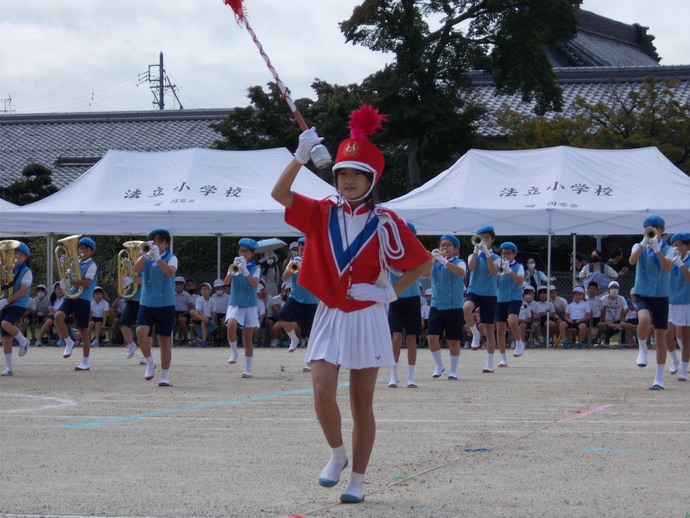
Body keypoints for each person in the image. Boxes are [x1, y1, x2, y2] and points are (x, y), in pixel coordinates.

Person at [271, 106, 430, 504]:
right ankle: (337, 455)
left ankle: (358, 479)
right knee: (322, 392)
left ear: (371, 179)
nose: (348, 180)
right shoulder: (321, 212)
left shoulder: (386, 219)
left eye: (356, 174)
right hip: (329, 313)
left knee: (362, 403)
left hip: (367, 315)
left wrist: (389, 292)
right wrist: (298, 157)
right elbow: (280, 194)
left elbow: (422, 263)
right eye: (342, 173)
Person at [629, 214, 674, 389]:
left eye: (656, 227)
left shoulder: (669, 249)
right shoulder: (638, 246)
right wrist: (643, 244)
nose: (654, 230)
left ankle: (659, 378)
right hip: (643, 292)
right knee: (644, 319)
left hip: (661, 294)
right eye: (649, 227)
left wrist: (657, 249)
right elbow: (632, 261)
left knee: (660, 337)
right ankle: (642, 348)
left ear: (662, 230)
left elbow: (667, 267)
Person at [134, 228, 178, 387]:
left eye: (160, 242)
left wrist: (158, 258)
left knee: (164, 340)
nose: (156, 245)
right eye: (154, 241)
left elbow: (169, 272)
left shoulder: (172, 258)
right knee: (140, 331)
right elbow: (136, 270)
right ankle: (150, 362)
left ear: (166, 244)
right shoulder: (146, 257)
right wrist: (145, 255)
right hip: (147, 302)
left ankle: (165, 375)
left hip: (165, 303)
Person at [385, 223, 425, 388]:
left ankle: (411, 376)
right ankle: (393, 375)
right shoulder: (391, 251)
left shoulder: (416, 252)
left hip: (413, 297)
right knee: (396, 338)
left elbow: (422, 268)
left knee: (411, 338)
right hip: (395, 297)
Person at [54, 236, 98, 371]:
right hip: (71, 296)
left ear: (92, 252)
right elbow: (68, 276)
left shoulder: (92, 265)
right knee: (57, 317)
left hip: (83, 299)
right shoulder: (74, 263)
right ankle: (68, 341)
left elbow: (87, 282)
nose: (82, 250)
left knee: (84, 330)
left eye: (86, 248)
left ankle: (85, 361)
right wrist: (64, 281)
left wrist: (70, 282)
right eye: (80, 248)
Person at [427, 235, 466, 379]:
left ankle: (453, 370)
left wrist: (444, 261)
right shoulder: (435, 263)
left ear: (455, 249)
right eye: (442, 245)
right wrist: (429, 261)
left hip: (453, 306)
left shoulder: (460, 262)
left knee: (453, 340)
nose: (444, 248)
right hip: (436, 304)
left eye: (448, 245)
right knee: (431, 337)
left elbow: (460, 272)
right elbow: (424, 274)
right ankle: (439, 365)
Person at [277, 236, 318, 372]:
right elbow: (285, 276)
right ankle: (294, 339)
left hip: (311, 301)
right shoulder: (294, 262)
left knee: (310, 333)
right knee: (283, 315)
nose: (302, 252)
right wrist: (295, 266)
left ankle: (308, 361)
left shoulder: (316, 261)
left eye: (305, 249)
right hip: (295, 297)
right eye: (300, 250)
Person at [464, 226, 500, 373]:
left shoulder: (497, 258)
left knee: (489, 328)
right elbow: (471, 268)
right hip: (474, 289)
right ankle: (475, 333)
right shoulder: (473, 255)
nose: (483, 240)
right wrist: (476, 251)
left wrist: (487, 253)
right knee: (466, 308)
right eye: (481, 237)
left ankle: (489, 362)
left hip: (490, 293)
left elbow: (492, 271)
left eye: (486, 237)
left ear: (492, 239)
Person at [224, 237, 261, 377]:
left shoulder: (256, 268)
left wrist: (245, 271)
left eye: (246, 252)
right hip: (235, 302)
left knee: (247, 338)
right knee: (231, 324)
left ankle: (248, 369)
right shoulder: (234, 264)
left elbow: (255, 285)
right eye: (241, 251)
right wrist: (234, 269)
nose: (243, 254)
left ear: (252, 254)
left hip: (250, 304)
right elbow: (226, 282)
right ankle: (234, 351)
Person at [0, 242, 33, 375]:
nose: (17, 257)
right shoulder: (7, 269)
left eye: (21, 255)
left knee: (5, 323)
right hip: (6, 302)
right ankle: (9, 368)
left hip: (18, 303)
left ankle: (23, 340)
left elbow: (23, 291)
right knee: (6, 337)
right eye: (15, 253)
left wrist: (5, 301)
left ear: (25, 258)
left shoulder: (27, 271)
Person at [495, 241, 526, 360]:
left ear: (514, 254)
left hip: (514, 298)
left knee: (512, 321)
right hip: (500, 298)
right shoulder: (498, 266)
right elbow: (494, 282)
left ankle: (519, 342)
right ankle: (503, 357)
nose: (506, 256)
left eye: (508, 253)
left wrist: (510, 271)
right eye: (503, 253)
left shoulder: (519, 266)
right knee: (500, 328)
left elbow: (519, 281)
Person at [668, 232, 690, 381]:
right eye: (675, 245)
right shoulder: (669, 259)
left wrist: (681, 265)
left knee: (685, 335)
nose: (678, 248)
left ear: (688, 246)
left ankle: (684, 369)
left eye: (681, 245)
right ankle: (674, 360)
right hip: (670, 300)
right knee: (667, 333)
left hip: (686, 300)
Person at [35, 282, 66, 347]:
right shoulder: (52, 299)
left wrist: (56, 312)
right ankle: (39, 339)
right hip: (54, 316)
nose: (60, 291)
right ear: (54, 290)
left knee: (56, 320)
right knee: (48, 321)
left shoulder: (66, 299)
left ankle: (61, 339)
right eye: (58, 289)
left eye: (61, 289)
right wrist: (55, 312)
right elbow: (50, 311)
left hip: (64, 317)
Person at [601, 281, 628, 346]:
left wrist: (621, 322)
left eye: (616, 288)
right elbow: (602, 314)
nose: (614, 290)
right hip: (607, 321)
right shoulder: (603, 299)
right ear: (608, 290)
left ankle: (622, 343)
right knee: (607, 329)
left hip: (619, 321)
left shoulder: (621, 299)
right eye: (612, 288)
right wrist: (609, 324)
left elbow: (625, 310)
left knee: (623, 326)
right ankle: (606, 342)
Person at [190, 282, 217, 347]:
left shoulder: (212, 300)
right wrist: (206, 319)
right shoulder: (199, 299)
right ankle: (207, 321)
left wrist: (212, 320)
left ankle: (204, 341)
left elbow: (214, 312)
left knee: (203, 323)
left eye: (205, 289)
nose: (204, 291)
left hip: (208, 318)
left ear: (210, 291)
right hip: (199, 316)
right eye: (202, 289)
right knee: (192, 312)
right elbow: (198, 311)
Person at [173, 276, 194, 344]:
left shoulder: (186, 295)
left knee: (181, 320)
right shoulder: (172, 294)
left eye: (180, 284)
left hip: (185, 313)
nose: (178, 285)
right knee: (172, 320)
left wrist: (183, 314)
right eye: (177, 283)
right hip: (174, 312)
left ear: (183, 285)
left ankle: (185, 338)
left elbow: (191, 307)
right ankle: (171, 338)